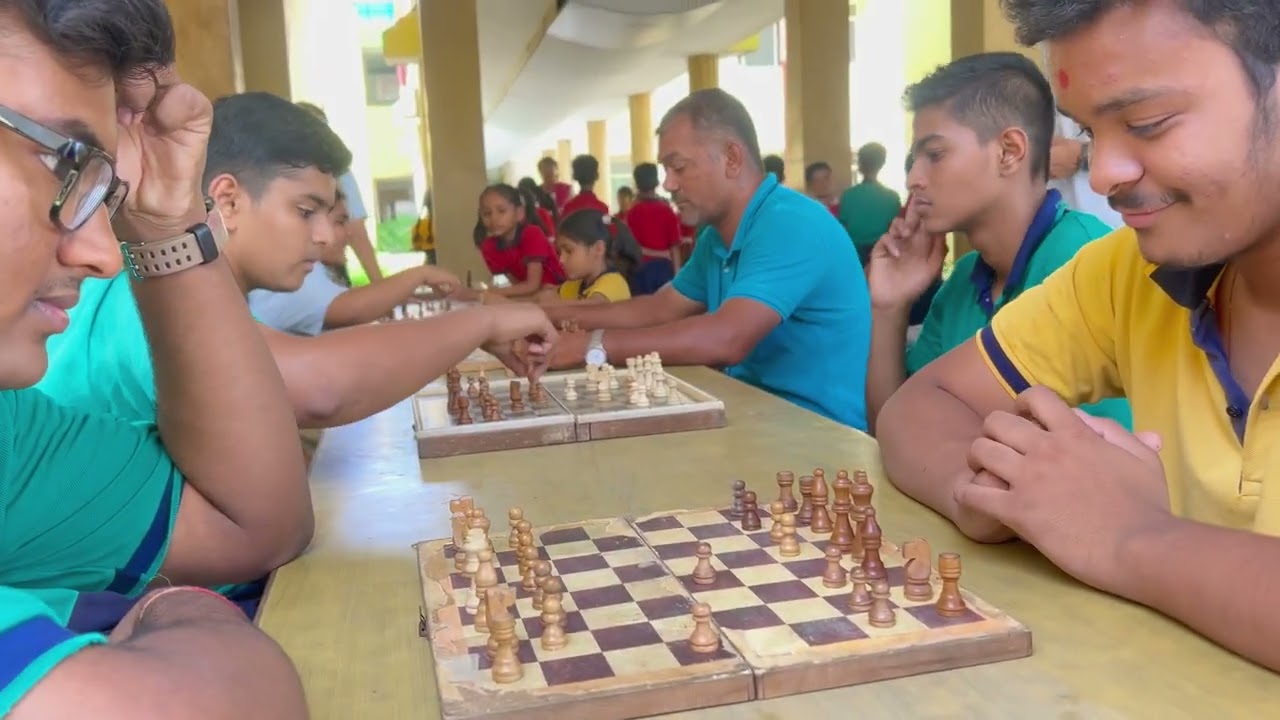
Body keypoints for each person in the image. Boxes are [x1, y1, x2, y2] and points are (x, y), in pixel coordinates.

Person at [878, 0, 1280, 672]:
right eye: (1092, 132)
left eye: (1147, 123)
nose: (1101, 175)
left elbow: (1117, 533)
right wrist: (978, 490)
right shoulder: (1127, 275)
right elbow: (922, 405)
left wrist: (1130, 535)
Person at [0, 1, 308, 715]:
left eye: (103, 192)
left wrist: (163, 221)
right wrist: (188, 613)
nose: (104, 254)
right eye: (63, 161)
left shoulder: (9, 433)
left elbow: (257, 527)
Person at [40, 93, 558, 433]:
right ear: (228, 201)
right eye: (304, 210)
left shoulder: (222, 301)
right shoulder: (147, 293)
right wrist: (481, 320)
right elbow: (318, 389)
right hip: (76, 604)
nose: (324, 235)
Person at [546, 89, 871, 429]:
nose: (668, 184)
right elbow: (658, 309)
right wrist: (540, 315)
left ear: (731, 158)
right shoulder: (715, 236)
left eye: (679, 167)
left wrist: (593, 346)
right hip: (750, 416)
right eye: (665, 169)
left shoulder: (790, 222)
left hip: (816, 441)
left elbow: (726, 337)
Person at [864, 52, 1130, 433]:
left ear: (1009, 152)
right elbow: (895, 431)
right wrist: (888, 307)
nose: (914, 179)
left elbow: (1104, 466)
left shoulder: (1088, 264)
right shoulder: (963, 282)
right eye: (914, 159)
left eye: (934, 155)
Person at [248, 190, 462, 336]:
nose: (349, 233)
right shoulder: (295, 272)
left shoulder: (312, 271)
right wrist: (419, 274)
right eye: (340, 222)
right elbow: (352, 308)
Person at [296, 100, 384, 282]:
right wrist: (381, 287)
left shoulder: (338, 170)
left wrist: (382, 288)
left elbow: (356, 231)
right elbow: (357, 232)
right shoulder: (336, 171)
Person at [468, 184, 567, 300]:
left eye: (501, 211)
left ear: (519, 213)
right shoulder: (489, 247)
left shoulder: (532, 234)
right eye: (487, 213)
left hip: (561, 290)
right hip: (533, 296)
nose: (494, 218)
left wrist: (491, 292)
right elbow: (517, 284)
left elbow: (533, 284)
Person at [543, 209, 634, 304]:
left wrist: (549, 301)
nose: (561, 260)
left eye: (569, 251)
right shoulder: (575, 284)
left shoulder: (614, 284)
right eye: (559, 253)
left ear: (598, 249)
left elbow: (588, 308)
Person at [838, 142, 902, 267]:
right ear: (882, 164)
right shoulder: (892, 197)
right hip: (882, 254)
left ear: (859, 164)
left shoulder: (848, 195)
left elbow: (843, 228)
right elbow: (895, 230)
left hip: (854, 255)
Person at [624, 162, 684, 294]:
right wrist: (677, 275)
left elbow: (631, 247)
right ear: (657, 182)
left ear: (636, 184)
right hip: (664, 269)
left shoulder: (633, 212)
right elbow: (674, 247)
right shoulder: (667, 210)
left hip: (640, 270)